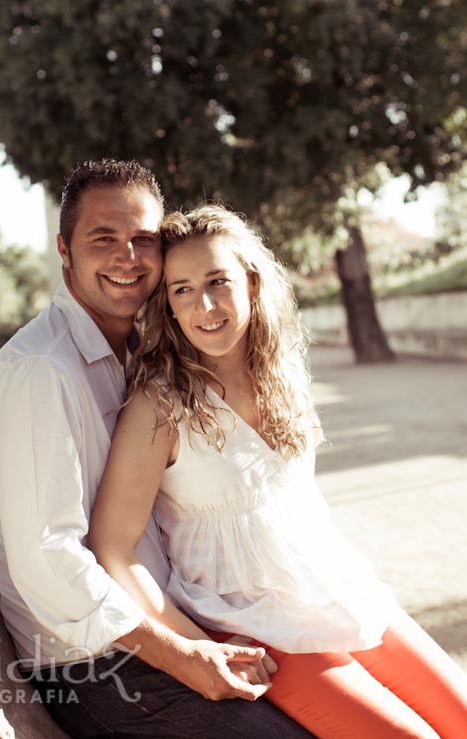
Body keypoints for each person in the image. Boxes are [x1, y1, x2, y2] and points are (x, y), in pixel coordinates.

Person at [89, 204, 467, 738]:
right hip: (254, 621)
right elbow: (113, 548)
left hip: (335, 588)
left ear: (251, 279)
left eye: (218, 280)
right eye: (181, 289)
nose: (205, 305)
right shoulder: (161, 404)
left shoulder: (282, 370)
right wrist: (194, 645)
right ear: (168, 306)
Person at [0, 161, 315, 738]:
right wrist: (183, 654)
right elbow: (46, 556)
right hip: (96, 663)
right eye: (103, 239)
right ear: (64, 249)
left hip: (178, 620)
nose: (127, 257)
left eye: (143, 240)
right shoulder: (38, 372)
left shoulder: (144, 349)